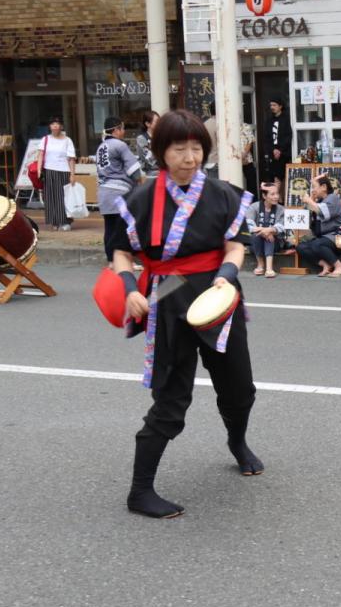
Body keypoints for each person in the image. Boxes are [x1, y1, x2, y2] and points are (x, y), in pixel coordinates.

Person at [108, 110, 259, 519]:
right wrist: (128, 291)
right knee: (171, 399)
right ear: (162, 152)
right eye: (180, 149)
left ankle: (237, 442)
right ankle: (140, 492)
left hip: (217, 293)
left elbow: (236, 246)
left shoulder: (223, 193)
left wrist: (227, 276)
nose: (190, 158)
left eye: (196, 148)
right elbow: (121, 252)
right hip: (168, 294)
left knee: (239, 387)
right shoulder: (140, 199)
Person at [95, 116, 143, 268]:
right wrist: (141, 185)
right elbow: (134, 170)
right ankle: (125, 261)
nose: (123, 131)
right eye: (122, 128)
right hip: (119, 192)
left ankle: (111, 260)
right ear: (116, 130)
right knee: (124, 228)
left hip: (104, 192)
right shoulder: (119, 145)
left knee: (109, 228)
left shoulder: (101, 147)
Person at [296, 176, 341, 277]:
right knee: (301, 247)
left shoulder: (333, 198)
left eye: (314, 187)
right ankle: (326, 265)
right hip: (323, 238)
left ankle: (339, 266)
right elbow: (304, 219)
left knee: (317, 244)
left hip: (339, 236)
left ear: (324, 187)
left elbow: (323, 212)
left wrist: (310, 201)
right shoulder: (318, 201)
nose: (313, 190)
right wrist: (310, 201)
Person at [37, 115, 77, 231]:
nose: (55, 126)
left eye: (57, 123)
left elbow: (71, 158)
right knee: (50, 198)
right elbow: (40, 155)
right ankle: (54, 221)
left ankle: (65, 222)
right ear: (49, 126)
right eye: (53, 124)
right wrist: (39, 170)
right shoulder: (45, 139)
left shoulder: (67, 140)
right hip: (49, 171)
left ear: (61, 126)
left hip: (64, 171)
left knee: (62, 197)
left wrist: (72, 174)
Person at [247, 183, 285, 277]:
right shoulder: (254, 207)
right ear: (264, 196)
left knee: (269, 236)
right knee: (258, 235)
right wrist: (265, 231)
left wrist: (268, 231)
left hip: (275, 243)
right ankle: (260, 265)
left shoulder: (281, 209)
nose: (276, 197)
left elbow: (281, 227)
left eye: (277, 194)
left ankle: (269, 268)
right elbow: (248, 225)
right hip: (256, 244)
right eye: (272, 194)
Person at [263, 97, 291, 186]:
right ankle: (278, 198)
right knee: (274, 177)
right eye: (271, 105)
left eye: (274, 105)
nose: (272, 107)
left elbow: (288, 136)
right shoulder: (269, 121)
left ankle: (280, 198)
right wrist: (273, 150)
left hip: (284, 154)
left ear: (280, 106)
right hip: (272, 154)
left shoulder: (286, 119)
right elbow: (267, 138)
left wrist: (280, 150)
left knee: (282, 177)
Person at [136, 110, 159, 175]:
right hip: (149, 172)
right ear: (147, 124)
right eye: (157, 121)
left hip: (161, 170)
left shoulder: (161, 136)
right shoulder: (142, 138)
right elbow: (149, 159)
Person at [240, 120, 258, 193]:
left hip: (246, 159)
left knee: (251, 182)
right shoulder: (227, 127)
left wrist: (244, 155)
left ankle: (252, 203)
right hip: (233, 161)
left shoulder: (245, 126)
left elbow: (250, 142)